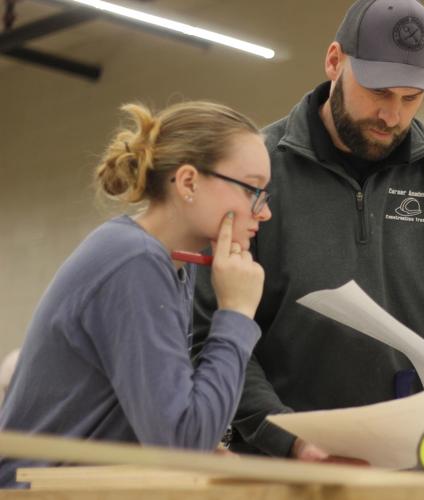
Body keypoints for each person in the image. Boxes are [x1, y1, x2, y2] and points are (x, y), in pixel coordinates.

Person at [193, 0, 424, 461]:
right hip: (283, 467)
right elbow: (211, 332)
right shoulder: (257, 172)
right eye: (379, 92)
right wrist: (291, 441)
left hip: (414, 461)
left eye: (411, 98)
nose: (392, 116)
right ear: (334, 61)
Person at [0, 100, 271, 488]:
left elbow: (174, 431)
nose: (264, 212)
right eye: (253, 190)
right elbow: (184, 444)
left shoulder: (172, 263)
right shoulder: (134, 262)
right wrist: (237, 313)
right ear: (189, 182)